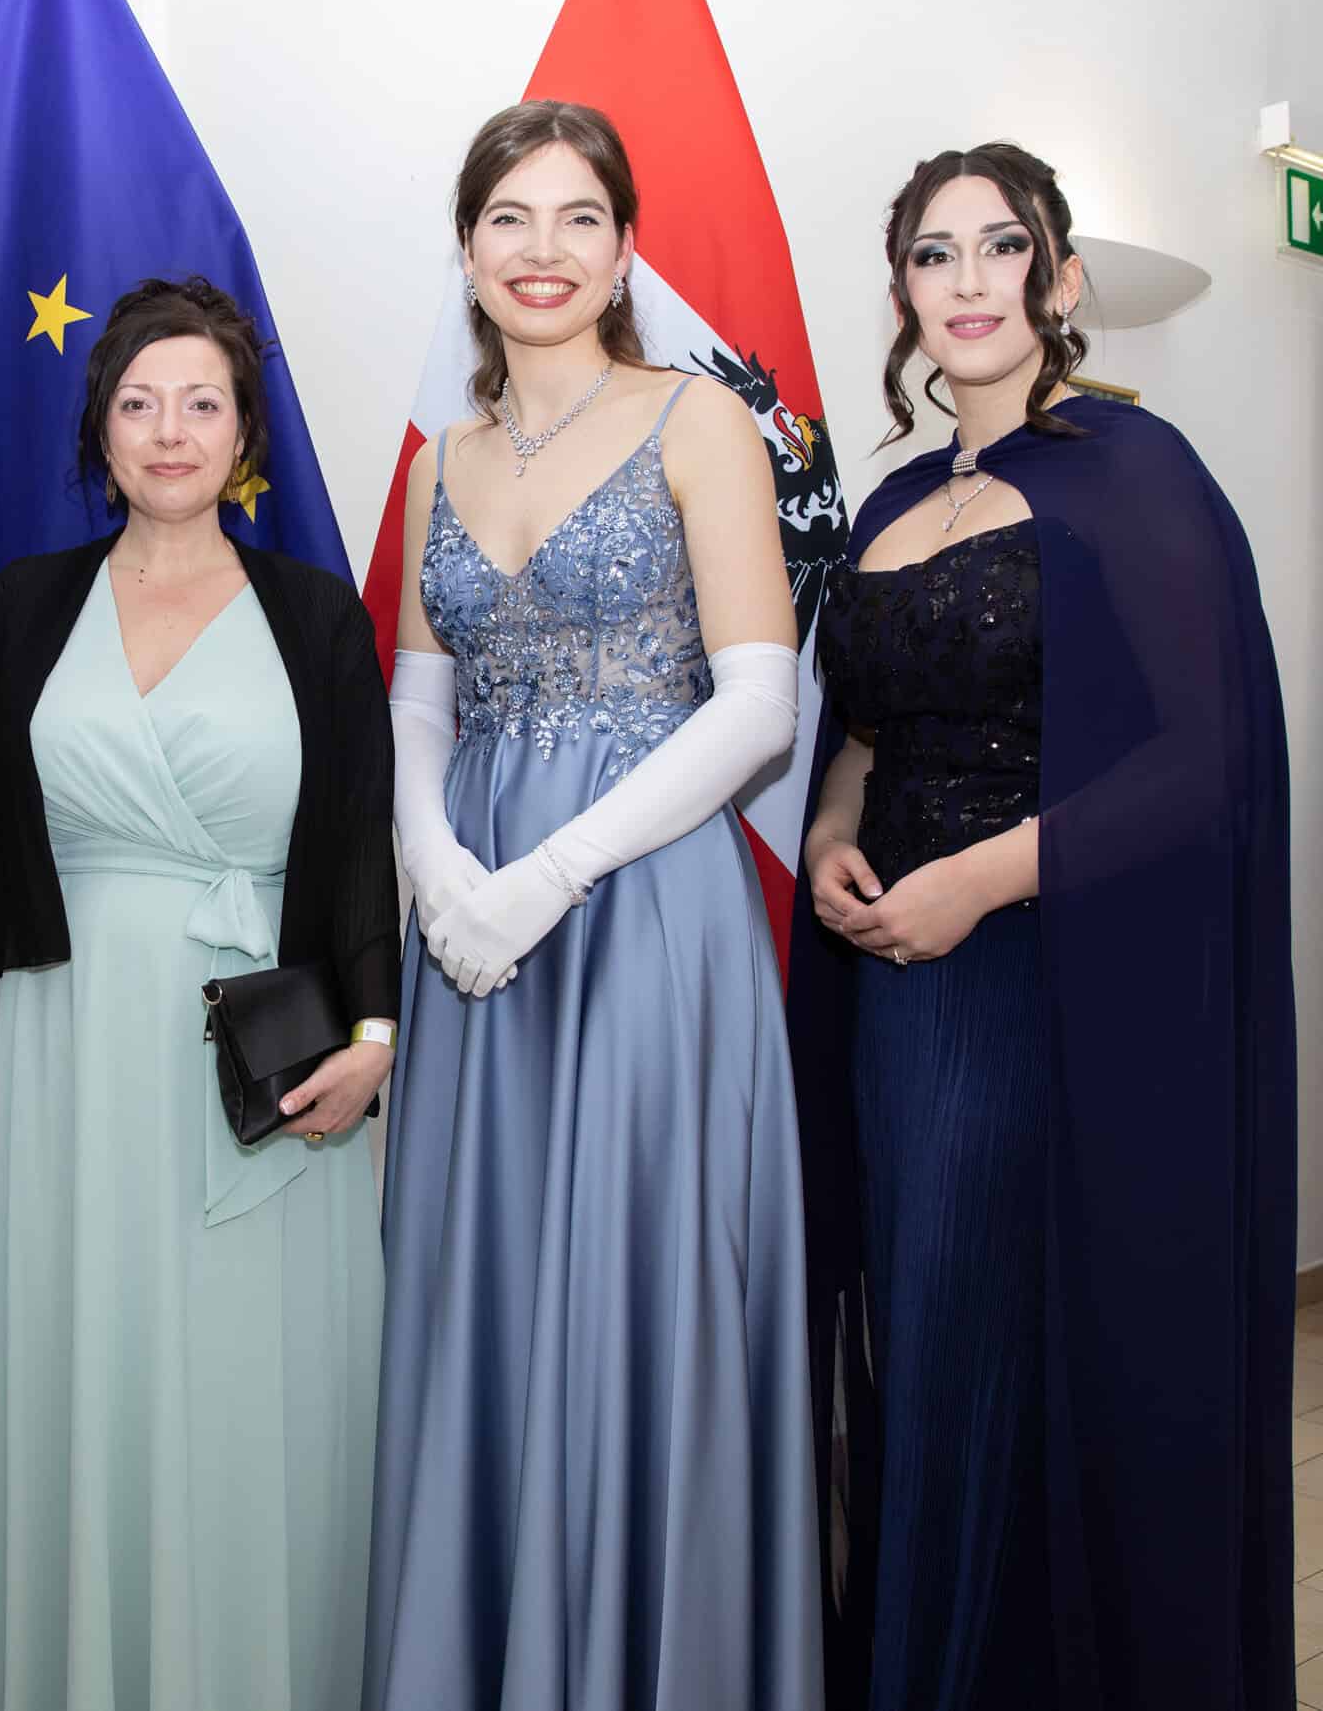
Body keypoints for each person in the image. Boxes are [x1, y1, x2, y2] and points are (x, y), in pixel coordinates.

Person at [792, 141, 1296, 1711]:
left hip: (1039, 980)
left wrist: (980, 880)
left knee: (974, 1356)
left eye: (998, 246)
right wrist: (828, 833)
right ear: (901, 293)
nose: (966, 281)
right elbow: (863, 729)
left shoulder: (1134, 471)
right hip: (890, 991)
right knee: (919, 1351)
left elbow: (1204, 757)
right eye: (931, 254)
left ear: (1059, 275)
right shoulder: (889, 500)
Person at [363, 100, 823, 1711]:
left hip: (640, 907)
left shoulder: (698, 420)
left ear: (625, 250)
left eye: (578, 218)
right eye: (509, 217)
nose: (542, 250)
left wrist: (551, 874)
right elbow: (419, 701)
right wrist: (438, 868)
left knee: (636, 1288)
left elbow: (758, 704)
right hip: (472, 924)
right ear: (468, 249)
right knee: (487, 1296)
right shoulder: (440, 461)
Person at [0, 275, 398, 1711]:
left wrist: (375, 1037)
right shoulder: (24, 606)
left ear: (244, 431)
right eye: (139, 403)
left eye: (201, 403)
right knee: (81, 1377)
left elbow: (358, 844)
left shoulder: (314, 616)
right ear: (102, 430)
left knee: (244, 1393)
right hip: (56, 1048)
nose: (170, 430)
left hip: (262, 1059)